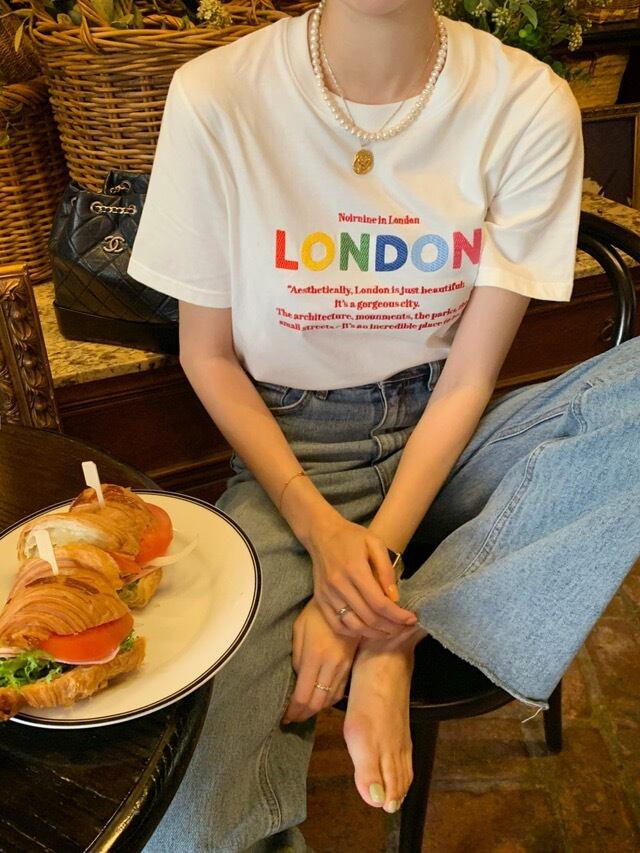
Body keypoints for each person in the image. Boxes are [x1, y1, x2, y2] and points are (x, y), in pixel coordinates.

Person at [128, 0, 640, 849]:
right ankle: (400, 610)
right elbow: (207, 355)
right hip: (293, 458)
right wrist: (321, 533)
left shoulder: (525, 102)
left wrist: (367, 612)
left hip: (448, 436)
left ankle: (405, 629)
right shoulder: (217, 95)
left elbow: (470, 377)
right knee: (186, 815)